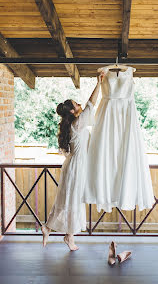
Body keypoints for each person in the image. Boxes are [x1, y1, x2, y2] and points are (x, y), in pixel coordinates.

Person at [41, 71, 105, 251]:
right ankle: (54, 230)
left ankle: (65, 235)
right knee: (71, 200)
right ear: (71, 110)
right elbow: (92, 104)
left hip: (76, 165)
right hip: (76, 167)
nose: (80, 104)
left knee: (71, 200)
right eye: (77, 104)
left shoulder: (73, 125)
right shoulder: (77, 124)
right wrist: (98, 83)